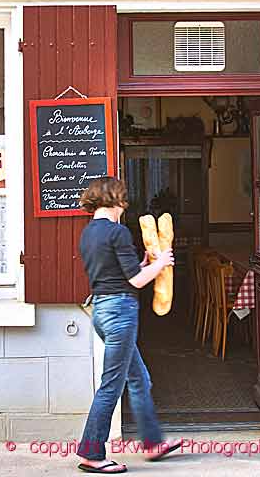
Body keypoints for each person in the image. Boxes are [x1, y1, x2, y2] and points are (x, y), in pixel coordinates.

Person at [76, 176, 182, 474]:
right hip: (119, 312)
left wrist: (148, 263)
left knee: (138, 380)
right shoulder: (118, 232)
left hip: (100, 309)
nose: (125, 205)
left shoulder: (89, 234)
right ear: (114, 200)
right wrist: (162, 264)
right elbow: (134, 281)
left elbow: (125, 273)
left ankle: (152, 443)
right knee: (111, 385)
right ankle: (92, 453)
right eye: (123, 199)